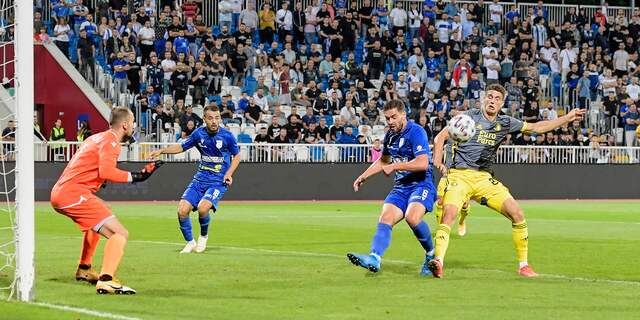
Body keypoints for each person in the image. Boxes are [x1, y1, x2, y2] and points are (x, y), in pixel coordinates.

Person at [429, 84, 586, 278]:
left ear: (502, 103)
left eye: (497, 98)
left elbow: (537, 128)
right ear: (484, 99)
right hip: (459, 176)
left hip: (484, 179)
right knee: (448, 214)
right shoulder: (468, 116)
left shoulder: (505, 122)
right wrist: (437, 160)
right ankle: (438, 261)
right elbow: (441, 136)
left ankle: (524, 266)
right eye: (490, 97)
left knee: (517, 214)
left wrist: (567, 118)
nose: (492, 101)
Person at [50, 107, 163, 294]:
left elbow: (84, 165)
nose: (133, 126)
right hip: (73, 194)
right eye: (133, 122)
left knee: (97, 221)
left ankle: (84, 269)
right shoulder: (112, 142)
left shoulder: (95, 138)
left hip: (64, 192)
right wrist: (138, 176)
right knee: (120, 233)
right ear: (125, 124)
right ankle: (106, 279)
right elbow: (107, 171)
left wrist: (97, 181)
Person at [347, 99, 437, 276]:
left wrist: (395, 167)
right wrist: (364, 176)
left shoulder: (416, 131)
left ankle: (431, 256)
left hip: (421, 183)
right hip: (401, 186)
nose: (390, 122)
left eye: (393, 117)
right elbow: (383, 161)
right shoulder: (390, 135)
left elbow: (423, 163)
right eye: (387, 118)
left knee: (412, 217)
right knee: (385, 218)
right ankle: (374, 257)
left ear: (403, 115)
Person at [149, 105, 241, 254]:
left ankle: (203, 237)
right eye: (210, 118)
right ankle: (190, 242)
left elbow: (237, 156)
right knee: (182, 210)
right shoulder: (198, 134)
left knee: (203, 208)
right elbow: (181, 147)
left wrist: (229, 173)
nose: (214, 121)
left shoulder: (227, 136)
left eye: (217, 118)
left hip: (218, 181)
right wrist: (162, 151)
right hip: (200, 180)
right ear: (204, 119)